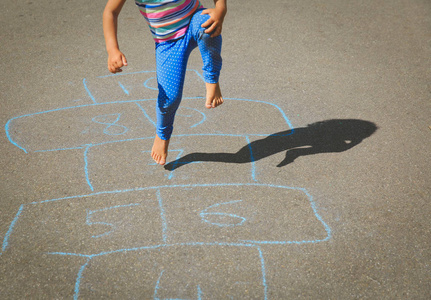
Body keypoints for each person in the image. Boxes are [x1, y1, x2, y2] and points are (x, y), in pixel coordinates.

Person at [103, 0, 227, 165]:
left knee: (207, 25)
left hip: (194, 20)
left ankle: (212, 80)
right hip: (167, 43)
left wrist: (220, 9)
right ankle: (162, 134)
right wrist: (112, 50)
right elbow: (110, 12)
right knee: (170, 98)